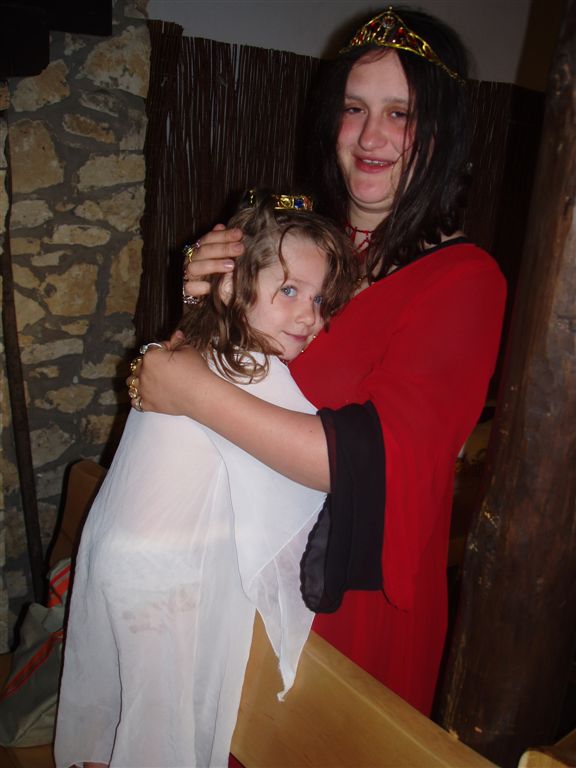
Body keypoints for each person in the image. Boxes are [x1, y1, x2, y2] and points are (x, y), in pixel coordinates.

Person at [133, 7, 507, 717]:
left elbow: (373, 458)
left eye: (400, 114)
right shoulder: (299, 247)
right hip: (238, 570)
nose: (370, 136)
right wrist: (201, 304)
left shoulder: (465, 281)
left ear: (442, 132)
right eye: (354, 109)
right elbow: (191, 386)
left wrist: (188, 387)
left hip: (343, 605)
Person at [54, 190, 357, 768]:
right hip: (165, 582)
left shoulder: (196, 348)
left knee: (117, 705)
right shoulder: (253, 367)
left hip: (114, 555)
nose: (310, 317)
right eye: (290, 291)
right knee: (159, 732)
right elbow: (316, 478)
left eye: (320, 299)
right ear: (231, 287)